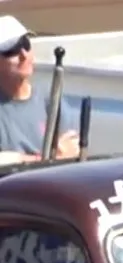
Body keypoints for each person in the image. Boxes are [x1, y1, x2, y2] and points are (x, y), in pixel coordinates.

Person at [0, 16, 79, 164]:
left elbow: (72, 149)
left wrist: (20, 158)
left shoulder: (52, 100)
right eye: (12, 50)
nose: (24, 55)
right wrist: (45, 158)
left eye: (26, 44)